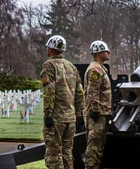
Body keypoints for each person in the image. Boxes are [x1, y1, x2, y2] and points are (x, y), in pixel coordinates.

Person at [40, 35, 84, 169]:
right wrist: (78, 113)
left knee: (54, 155)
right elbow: (79, 92)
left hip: (56, 118)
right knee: (67, 153)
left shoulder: (49, 65)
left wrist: (47, 114)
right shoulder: (71, 67)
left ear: (52, 49)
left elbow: (49, 91)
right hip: (70, 118)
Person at [83, 40, 112, 169]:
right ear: (99, 53)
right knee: (93, 148)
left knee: (98, 148)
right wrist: (95, 110)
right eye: (106, 51)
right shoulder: (95, 70)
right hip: (97, 114)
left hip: (102, 113)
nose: (109, 53)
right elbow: (92, 92)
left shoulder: (100, 68)